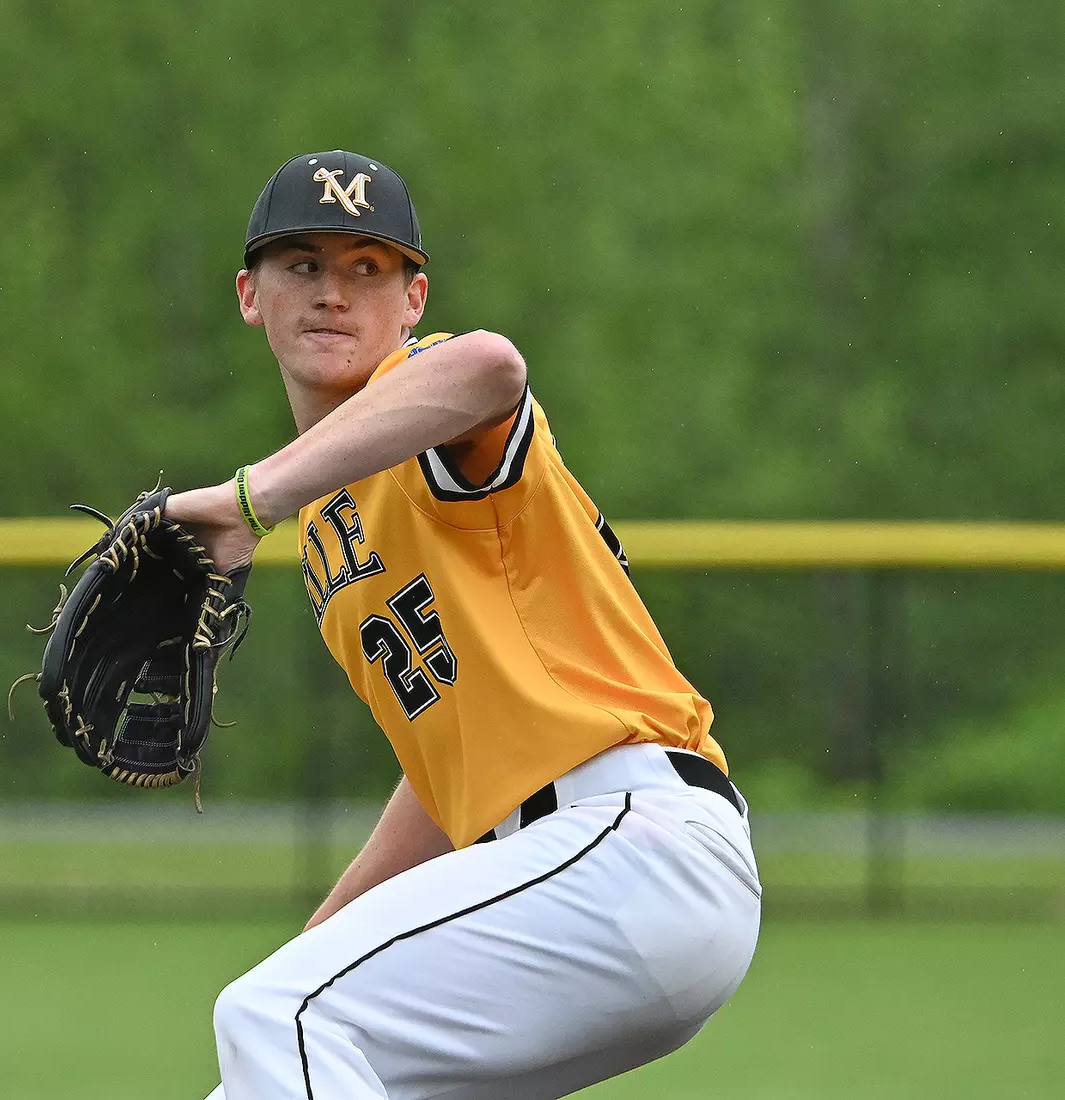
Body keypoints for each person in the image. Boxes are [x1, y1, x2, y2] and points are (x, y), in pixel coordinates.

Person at [163, 150, 761, 1100]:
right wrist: (331, 939)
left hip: (630, 842)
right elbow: (448, 777)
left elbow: (491, 367)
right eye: (303, 265)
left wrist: (249, 500)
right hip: (576, 876)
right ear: (250, 294)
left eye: (369, 268)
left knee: (277, 1015)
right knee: (274, 1063)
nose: (334, 293)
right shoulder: (326, 517)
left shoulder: (428, 405)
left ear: (413, 300)